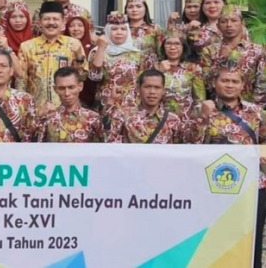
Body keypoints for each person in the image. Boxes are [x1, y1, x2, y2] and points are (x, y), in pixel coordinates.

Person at [189, 58, 266, 268]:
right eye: (225, 80)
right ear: (215, 83)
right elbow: (190, 145)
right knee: (212, 239)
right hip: (212, 186)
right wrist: (203, 118)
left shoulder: (256, 112)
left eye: (234, 81)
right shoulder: (200, 109)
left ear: (243, 85)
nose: (230, 85)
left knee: (251, 238)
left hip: (252, 185)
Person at [17, 1, 88, 110]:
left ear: (63, 22)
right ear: (40, 22)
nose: (51, 22)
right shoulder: (27, 47)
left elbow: (82, 78)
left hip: (66, 110)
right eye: (46, 19)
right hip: (36, 111)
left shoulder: (73, 44)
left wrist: (79, 58)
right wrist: (24, 109)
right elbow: (21, 82)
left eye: (55, 19)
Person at [199, 4, 265, 103]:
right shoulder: (208, 51)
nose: (229, 25)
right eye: (224, 21)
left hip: (248, 110)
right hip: (219, 110)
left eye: (234, 20)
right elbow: (206, 84)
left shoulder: (257, 51)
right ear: (218, 26)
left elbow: (262, 84)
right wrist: (221, 60)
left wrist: (253, 110)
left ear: (242, 24)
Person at [106, 69, 185, 144]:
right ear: (138, 89)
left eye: (157, 88)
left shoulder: (173, 120)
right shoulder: (123, 116)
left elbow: (178, 150)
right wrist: (111, 101)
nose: (152, 92)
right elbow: (110, 142)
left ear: (163, 91)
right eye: (147, 87)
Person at [89, 12, 145, 114]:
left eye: (123, 29)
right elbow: (94, 77)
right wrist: (101, 48)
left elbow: (143, 81)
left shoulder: (137, 54)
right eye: (114, 29)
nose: (119, 32)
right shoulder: (97, 51)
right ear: (107, 31)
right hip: (105, 104)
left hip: (131, 106)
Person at [37, 67, 103, 143]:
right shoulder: (47, 119)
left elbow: (103, 150)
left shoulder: (93, 119)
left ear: (80, 86)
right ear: (55, 89)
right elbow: (35, 149)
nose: (67, 93)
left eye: (71, 87)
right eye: (61, 88)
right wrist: (38, 118)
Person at [155, 35, 206, 120]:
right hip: (161, 118)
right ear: (163, 47)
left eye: (177, 44)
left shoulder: (193, 69)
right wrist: (160, 72)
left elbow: (200, 99)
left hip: (187, 118)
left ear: (183, 47)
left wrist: (195, 119)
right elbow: (151, 92)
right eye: (168, 44)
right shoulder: (156, 67)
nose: (172, 47)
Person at [124, 0, 162, 68]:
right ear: (126, 10)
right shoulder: (121, 29)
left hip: (150, 73)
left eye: (138, 6)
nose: (134, 10)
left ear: (145, 8)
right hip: (126, 73)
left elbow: (161, 54)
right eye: (130, 7)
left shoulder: (155, 29)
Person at [65, 16, 97, 108]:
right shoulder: (62, 47)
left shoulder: (93, 49)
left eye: (80, 25)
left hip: (88, 95)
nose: (76, 29)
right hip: (66, 94)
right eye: (72, 26)